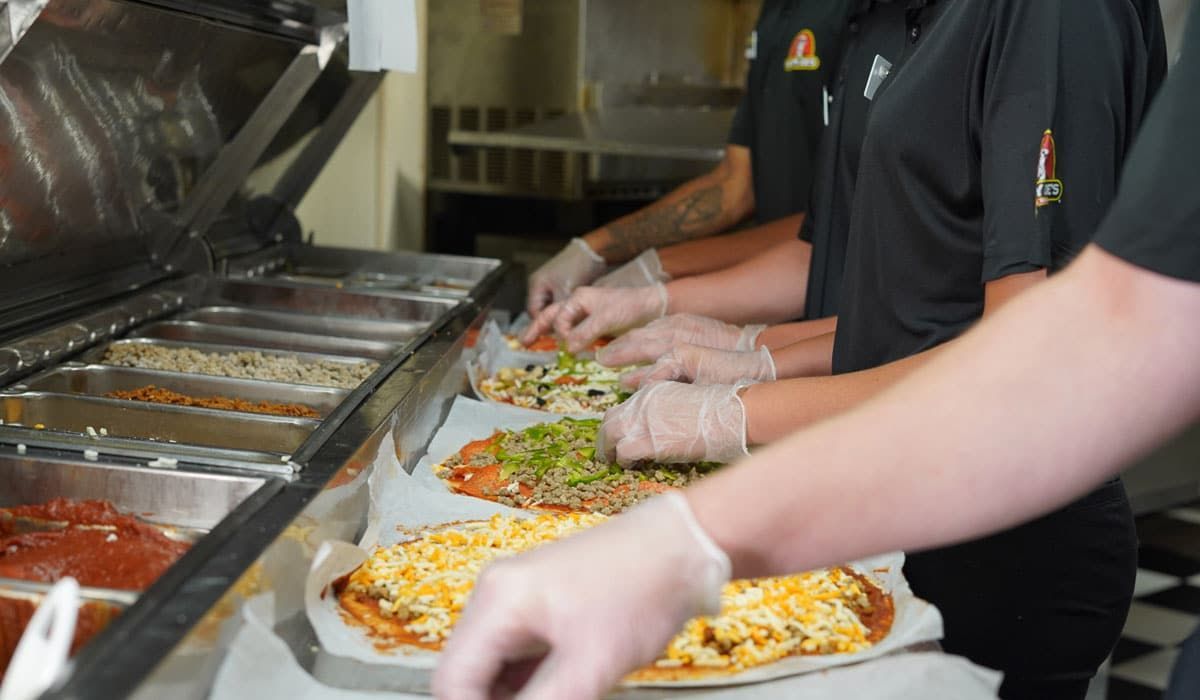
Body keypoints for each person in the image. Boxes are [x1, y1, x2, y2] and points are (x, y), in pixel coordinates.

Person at [432, 2, 1200, 697]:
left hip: (1004, 552)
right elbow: (893, 306)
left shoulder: (1047, 18)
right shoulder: (898, 20)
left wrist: (706, 499)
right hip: (887, 508)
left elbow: (1044, 363)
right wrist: (751, 352)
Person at [524, 0, 854, 316]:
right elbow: (735, 184)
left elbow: (836, 222)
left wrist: (659, 270)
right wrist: (593, 250)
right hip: (769, 300)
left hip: (831, 321)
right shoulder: (776, 11)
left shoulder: (859, 13)